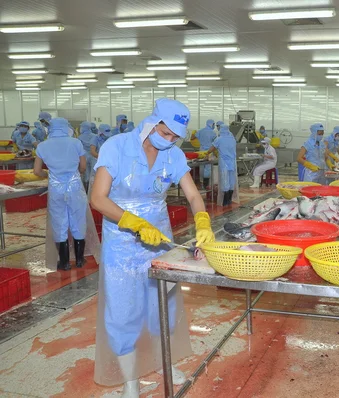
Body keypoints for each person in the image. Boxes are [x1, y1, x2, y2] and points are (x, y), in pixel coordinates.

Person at [90, 98, 215, 396]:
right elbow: (98, 198)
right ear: (152, 122)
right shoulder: (117, 147)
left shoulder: (173, 155)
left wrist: (203, 221)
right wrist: (134, 223)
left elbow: (194, 196)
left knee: (163, 303)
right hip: (122, 239)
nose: (169, 140)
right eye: (166, 133)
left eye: (175, 137)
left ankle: (163, 361)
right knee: (122, 309)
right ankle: (130, 381)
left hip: (159, 237)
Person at [34, 118, 88, 270]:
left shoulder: (42, 146)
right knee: (78, 220)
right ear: (66, 127)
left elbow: (37, 171)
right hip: (75, 187)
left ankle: (64, 262)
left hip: (56, 188)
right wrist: (75, 175)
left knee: (59, 221)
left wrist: (49, 175)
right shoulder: (76, 143)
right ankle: (79, 260)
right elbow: (83, 166)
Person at [207, 123, 238, 206]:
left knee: (225, 181)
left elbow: (212, 148)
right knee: (231, 180)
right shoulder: (232, 139)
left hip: (224, 163)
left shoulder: (219, 139)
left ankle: (224, 201)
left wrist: (207, 153)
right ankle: (229, 200)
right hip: (232, 162)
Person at [195, 119, 217, 188]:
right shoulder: (213, 133)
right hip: (208, 151)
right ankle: (206, 183)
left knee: (201, 165)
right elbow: (215, 143)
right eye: (213, 124)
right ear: (211, 124)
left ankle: (201, 182)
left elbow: (194, 136)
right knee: (208, 166)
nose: (214, 126)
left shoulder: (200, 131)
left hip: (201, 151)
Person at [78, 121, 98, 190]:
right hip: (93, 156)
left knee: (86, 173)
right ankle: (93, 190)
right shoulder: (95, 136)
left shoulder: (80, 137)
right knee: (93, 174)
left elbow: (79, 148)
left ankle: (86, 189)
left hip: (84, 157)